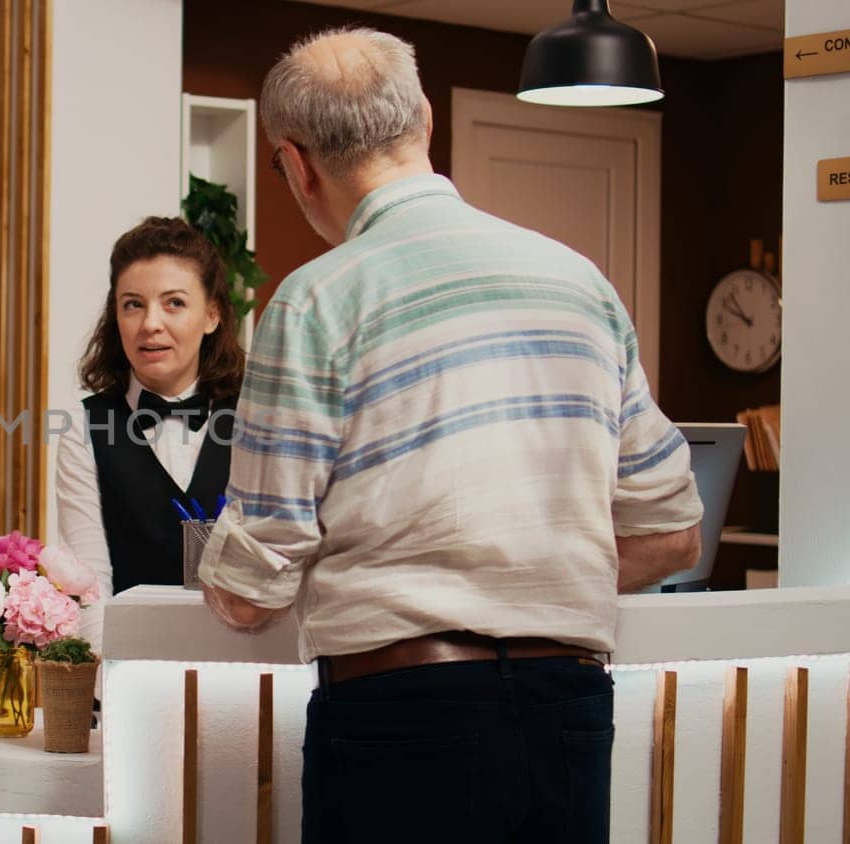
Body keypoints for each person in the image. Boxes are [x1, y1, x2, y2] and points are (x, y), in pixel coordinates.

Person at [195, 28, 702, 843]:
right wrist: (531, 571)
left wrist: (230, 574)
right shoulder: (579, 281)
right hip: (569, 712)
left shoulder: (318, 299)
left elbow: (255, 582)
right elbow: (673, 532)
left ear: (293, 163)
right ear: (425, 119)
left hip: (402, 713)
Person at [55, 216, 244, 653]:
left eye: (174, 303)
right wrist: (113, 693)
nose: (150, 324)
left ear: (212, 314)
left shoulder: (259, 420)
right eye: (133, 304)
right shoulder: (85, 430)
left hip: (245, 670)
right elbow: (90, 589)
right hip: (130, 670)